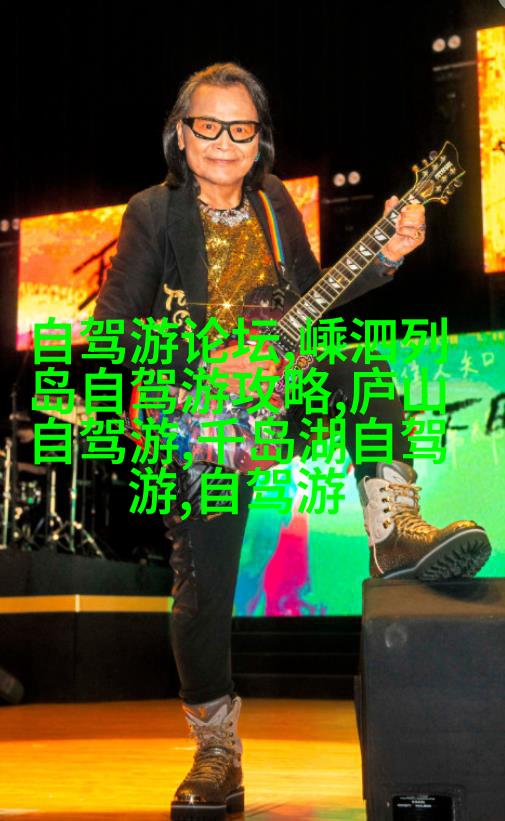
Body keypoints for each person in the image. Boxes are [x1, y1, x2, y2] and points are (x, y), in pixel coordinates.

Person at [93, 62, 491, 821]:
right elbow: (112, 331)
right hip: (195, 422)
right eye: (207, 125)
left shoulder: (276, 203)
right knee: (203, 588)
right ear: (181, 135)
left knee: (361, 371)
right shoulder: (152, 211)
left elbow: (315, 292)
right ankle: (216, 753)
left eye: (240, 128)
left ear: (259, 140)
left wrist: (388, 251)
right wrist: (204, 360)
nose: (224, 141)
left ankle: (394, 530)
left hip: (279, 397)